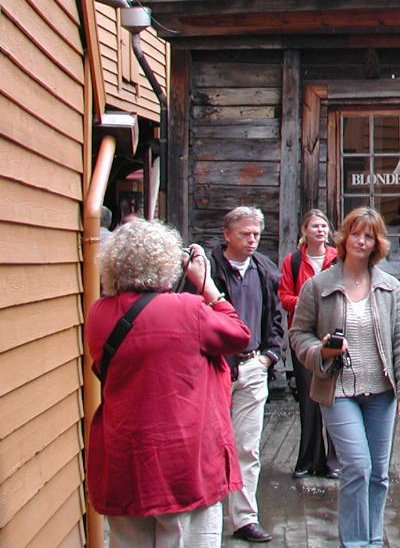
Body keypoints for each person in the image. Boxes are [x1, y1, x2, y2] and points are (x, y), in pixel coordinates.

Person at [87, 219, 249, 547]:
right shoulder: (188, 310)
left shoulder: (98, 314)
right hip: (184, 466)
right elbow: (238, 335)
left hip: (124, 462)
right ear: (165, 261)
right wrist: (207, 285)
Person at [291, 207, 400, 548]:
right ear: (344, 237)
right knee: (357, 467)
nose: (361, 241)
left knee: (379, 474)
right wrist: (320, 351)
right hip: (338, 391)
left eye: (369, 235)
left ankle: (374, 539)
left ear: (377, 242)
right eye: (356, 234)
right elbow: (298, 335)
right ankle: (354, 543)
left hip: (381, 393)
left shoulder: (390, 287)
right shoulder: (317, 285)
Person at [203, 206, 284, 544]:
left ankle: (244, 518)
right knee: (208, 445)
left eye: (255, 234)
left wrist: (270, 355)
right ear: (227, 235)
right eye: (244, 234)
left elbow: (275, 316)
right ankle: (208, 516)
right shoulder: (205, 271)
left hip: (253, 367)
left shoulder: (264, 269)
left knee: (247, 448)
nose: (252, 240)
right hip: (215, 369)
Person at [279, 208, 340, 479]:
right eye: (315, 226)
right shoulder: (292, 262)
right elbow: (284, 296)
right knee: (308, 399)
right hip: (303, 337)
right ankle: (308, 459)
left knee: (335, 398)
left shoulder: (338, 259)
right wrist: (308, 301)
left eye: (324, 226)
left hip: (333, 333)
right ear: (304, 231)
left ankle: (335, 462)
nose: (320, 230)